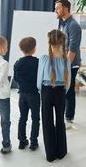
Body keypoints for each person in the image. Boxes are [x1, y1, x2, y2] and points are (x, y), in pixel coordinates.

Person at [37, 29, 71, 162]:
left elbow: (39, 81)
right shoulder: (66, 59)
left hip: (46, 91)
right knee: (60, 121)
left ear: (49, 43)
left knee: (47, 122)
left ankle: (50, 155)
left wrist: (42, 92)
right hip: (61, 91)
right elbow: (68, 82)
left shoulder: (44, 59)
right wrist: (63, 91)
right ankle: (61, 152)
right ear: (63, 43)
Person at [55, 0, 82, 128]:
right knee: (63, 89)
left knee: (69, 90)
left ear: (66, 8)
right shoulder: (61, 23)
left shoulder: (74, 26)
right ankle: (64, 115)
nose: (56, 10)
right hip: (62, 61)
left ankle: (69, 117)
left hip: (71, 63)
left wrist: (65, 66)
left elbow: (73, 49)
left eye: (58, 8)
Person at [14, 37, 40, 151]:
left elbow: (16, 79)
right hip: (34, 95)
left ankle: (22, 141)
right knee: (35, 119)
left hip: (22, 95)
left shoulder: (17, 63)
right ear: (34, 49)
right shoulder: (37, 62)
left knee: (22, 118)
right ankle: (33, 142)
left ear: (21, 49)